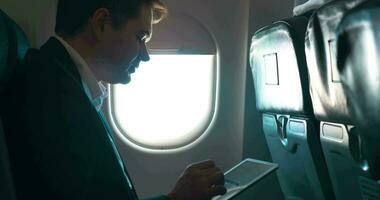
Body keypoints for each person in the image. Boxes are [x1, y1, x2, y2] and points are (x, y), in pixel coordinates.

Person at [2, 0, 227, 199]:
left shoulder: (70, 84)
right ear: (101, 23)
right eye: (140, 37)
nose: (145, 54)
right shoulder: (51, 95)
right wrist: (176, 199)